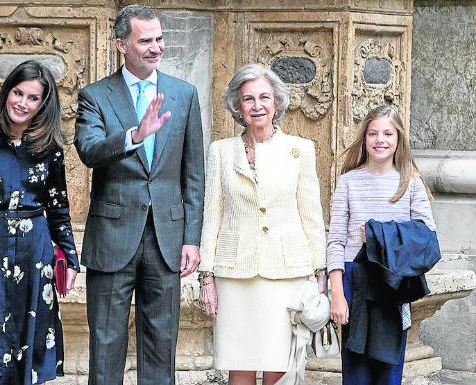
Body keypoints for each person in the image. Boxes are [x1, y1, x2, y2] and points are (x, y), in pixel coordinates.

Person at [73, 4, 205, 385]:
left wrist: (191, 239)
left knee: (161, 346)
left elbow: (193, 175)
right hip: (113, 238)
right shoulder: (95, 96)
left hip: (167, 238)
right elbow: (89, 150)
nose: (155, 47)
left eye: (159, 38)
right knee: (106, 346)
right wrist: (134, 135)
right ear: (121, 44)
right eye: (145, 40)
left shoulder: (184, 94)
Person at [197, 63, 327, 385]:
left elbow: (311, 216)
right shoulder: (221, 152)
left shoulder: (300, 150)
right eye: (248, 99)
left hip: (287, 274)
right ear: (238, 106)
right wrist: (206, 277)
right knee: (238, 369)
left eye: (264, 97)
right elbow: (212, 214)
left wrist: (320, 272)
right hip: (235, 274)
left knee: (279, 370)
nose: (257, 106)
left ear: (278, 102)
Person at [0, 60, 80, 385]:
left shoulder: (48, 147)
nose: (22, 103)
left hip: (34, 253)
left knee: (32, 339)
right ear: (6, 91)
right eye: (18, 92)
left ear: (43, 104)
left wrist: (70, 258)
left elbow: (58, 205)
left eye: (32, 98)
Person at [326, 105, 436, 385]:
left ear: (398, 139)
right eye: (373, 133)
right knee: (356, 369)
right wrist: (337, 293)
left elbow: (427, 237)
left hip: (393, 281)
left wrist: (379, 235)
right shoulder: (349, 181)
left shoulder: (410, 182)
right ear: (364, 137)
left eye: (388, 133)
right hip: (356, 278)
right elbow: (336, 241)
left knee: (389, 371)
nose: (380, 139)